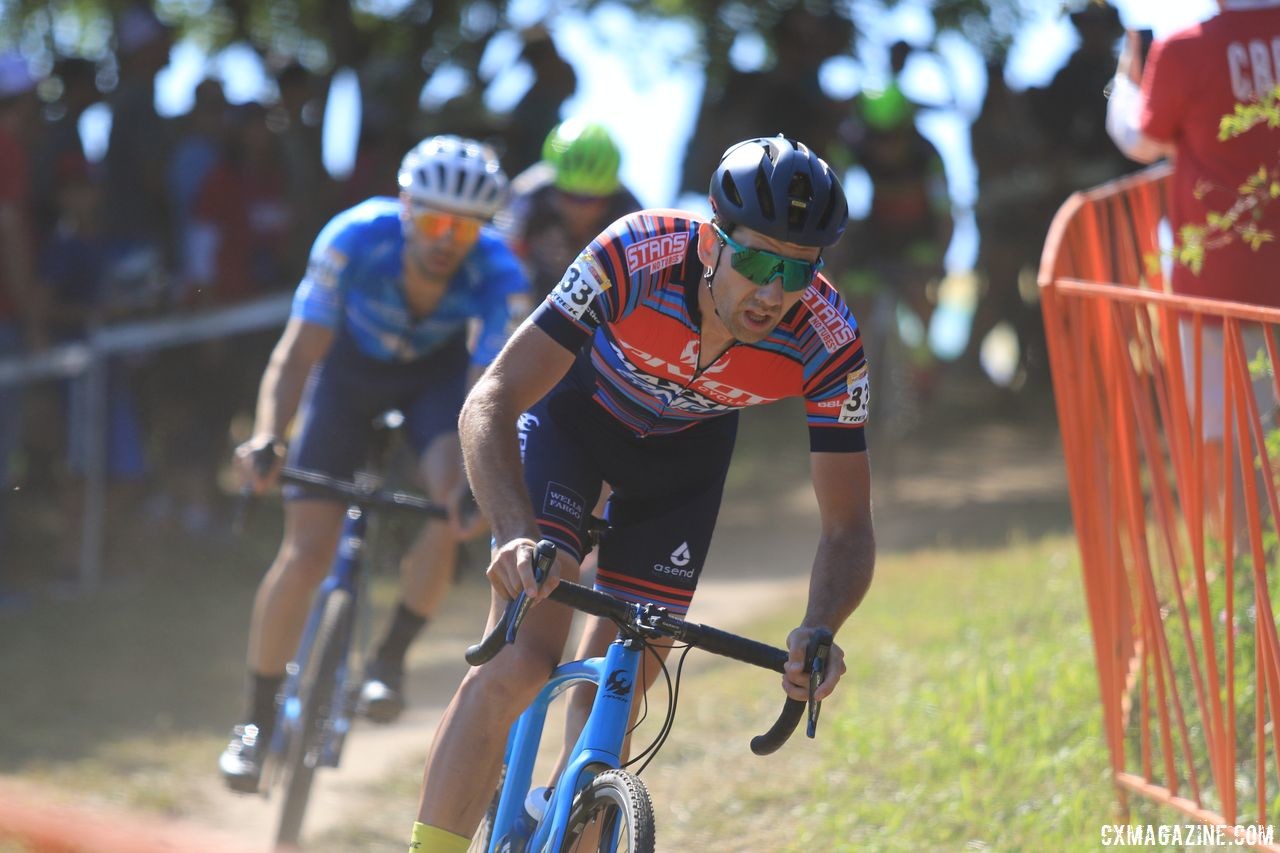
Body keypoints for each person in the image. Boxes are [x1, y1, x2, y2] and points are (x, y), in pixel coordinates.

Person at [408, 135, 873, 852]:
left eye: (796, 272)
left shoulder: (830, 340)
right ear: (712, 239)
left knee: (622, 684)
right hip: (576, 424)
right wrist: (512, 531)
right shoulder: (636, 252)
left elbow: (847, 526)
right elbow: (491, 399)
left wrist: (820, 626)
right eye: (753, 260)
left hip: (685, 460)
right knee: (525, 656)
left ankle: (559, 809)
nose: (773, 292)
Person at [218, 135, 529, 793]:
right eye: (434, 220)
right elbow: (298, 355)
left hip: (435, 385)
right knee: (305, 553)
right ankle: (253, 720)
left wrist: (483, 487)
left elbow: (488, 395)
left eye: (465, 226)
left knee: (454, 497)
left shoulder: (500, 274)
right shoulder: (353, 238)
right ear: (406, 206)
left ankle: (388, 659)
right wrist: (271, 435)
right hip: (347, 378)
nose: (448, 239)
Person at [1105, 0, 1280, 536]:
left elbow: (1143, 139)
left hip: (1219, 283)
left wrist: (1124, 82)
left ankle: (1259, 579)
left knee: (1237, 435)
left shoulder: (1186, 49)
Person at [495, 119, 642, 303]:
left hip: (597, 302)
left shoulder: (629, 214)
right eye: (570, 196)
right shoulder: (530, 193)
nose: (580, 208)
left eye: (592, 199)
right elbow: (502, 255)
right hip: (531, 287)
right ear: (555, 186)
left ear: (610, 194)